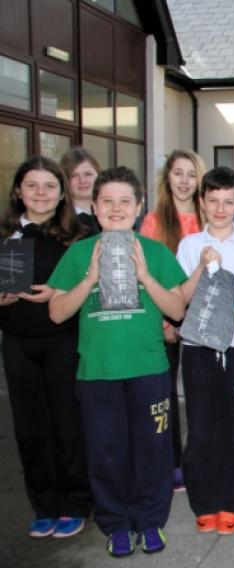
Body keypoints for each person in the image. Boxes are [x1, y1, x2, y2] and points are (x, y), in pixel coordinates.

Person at [48, 167, 187, 557]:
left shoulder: (155, 252)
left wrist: (145, 276)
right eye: (106, 200)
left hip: (148, 370)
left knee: (152, 450)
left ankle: (150, 521)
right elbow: (58, 313)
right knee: (105, 451)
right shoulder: (78, 254)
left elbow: (177, 310)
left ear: (139, 207)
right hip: (98, 371)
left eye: (125, 200)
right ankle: (117, 524)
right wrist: (90, 278)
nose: (116, 208)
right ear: (93, 206)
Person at [0, 156, 91, 538]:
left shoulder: (79, 233)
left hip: (64, 341)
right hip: (18, 343)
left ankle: (75, 502)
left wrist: (62, 291)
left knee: (68, 426)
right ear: (18, 191)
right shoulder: (6, 235)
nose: (41, 193)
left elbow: (93, 283)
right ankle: (44, 504)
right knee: (30, 429)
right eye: (32, 185)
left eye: (49, 186)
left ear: (61, 193)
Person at [176, 167, 234, 536]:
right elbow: (179, 296)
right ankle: (205, 500)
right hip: (198, 348)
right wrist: (201, 264)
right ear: (201, 202)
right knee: (200, 426)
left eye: (228, 201)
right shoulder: (188, 245)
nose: (219, 208)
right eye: (212, 200)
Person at [140, 149, 206, 492]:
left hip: (204, 317)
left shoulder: (209, 217)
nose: (184, 181)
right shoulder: (153, 221)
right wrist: (166, 321)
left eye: (191, 174)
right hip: (164, 318)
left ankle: (201, 459)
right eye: (177, 173)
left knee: (200, 393)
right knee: (163, 396)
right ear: (167, 178)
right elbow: (147, 275)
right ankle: (171, 462)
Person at [60, 147, 102, 234]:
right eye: (74, 175)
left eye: (88, 174)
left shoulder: (114, 214)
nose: (82, 180)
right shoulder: (57, 221)